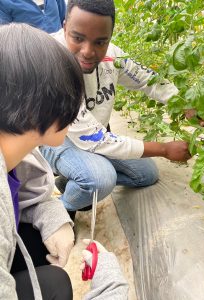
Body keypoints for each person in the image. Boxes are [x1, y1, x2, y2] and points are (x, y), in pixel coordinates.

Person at [0, 22, 128, 300]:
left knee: (48, 267)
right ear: (36, 107)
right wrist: (111, 287)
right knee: (100, 176)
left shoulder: (17, 152)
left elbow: (31, 194)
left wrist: (54, 221)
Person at [40, 0, 191, 217]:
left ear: (110, 36)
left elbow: (148, 81)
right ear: (64, 27)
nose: (88, 52)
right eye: (78, 38)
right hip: (55, 139)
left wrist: (187, 105)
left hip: (94, 133)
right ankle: (56, 211)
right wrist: (165, 149)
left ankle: (73, 180)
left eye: (100, 42)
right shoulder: (51, 62)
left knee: (146, 174)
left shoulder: (113, 56)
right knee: (101, 179)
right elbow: (92, 139)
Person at [0, 0, 66, 33]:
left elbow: (65, 20)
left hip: (60, 49)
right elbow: (6, 37)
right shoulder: (4, 2)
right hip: (30, 55)